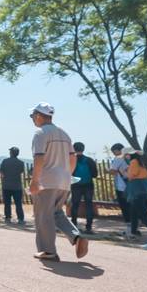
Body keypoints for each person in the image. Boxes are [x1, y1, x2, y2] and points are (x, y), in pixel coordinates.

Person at [28, 102, 89, 261]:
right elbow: (72, 157)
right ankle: (76, 236)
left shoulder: (40, 133)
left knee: (43, 215)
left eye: (32, 116)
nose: (32, 119)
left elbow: (39, 157)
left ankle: (48, 251)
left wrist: (35, 180)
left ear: (39, 115)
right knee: (56, 212)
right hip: (64, 181)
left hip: (47, 180)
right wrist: (67, 174)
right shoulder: (63, 133)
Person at [70, 142, 99, 234]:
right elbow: (95, 175)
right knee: (89, 205)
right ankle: (89, 227)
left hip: (75, 185)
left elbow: (68, 172)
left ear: (73, 149)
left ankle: (73, 225)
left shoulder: (71, 160)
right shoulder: (89, 160)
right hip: (88, 185)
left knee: (75, 205)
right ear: (83, 149)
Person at [124, 149, 147, 238]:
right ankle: (133, 231)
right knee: (134, 212)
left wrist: (126, 172)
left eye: (126, 155)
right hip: (143, 188)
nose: (125, 157)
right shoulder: (141, 162)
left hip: (136, 189)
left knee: (143, 213)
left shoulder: (134, 162)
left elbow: (131, 176)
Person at [0, 146, 26, 224]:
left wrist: (5, 177)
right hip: (17, 186)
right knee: (18, 203)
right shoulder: (21, 163)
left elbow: (1, 171)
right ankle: (20, 218)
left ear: (11, 153)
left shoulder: (5, 161)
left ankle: (8, 217)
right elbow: (21, 172)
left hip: (6, 185)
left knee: (7, 203)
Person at [108, 143, 131, 226]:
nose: (113, 153)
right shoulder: (130, 157)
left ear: (118, 150)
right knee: (131, 206)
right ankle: (134, 225)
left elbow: (112, 171)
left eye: (114, 151)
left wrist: (108, 170)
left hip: (121, 186)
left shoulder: (118, 159)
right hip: (131, 185)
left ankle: (129, 225)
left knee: (124, 206)